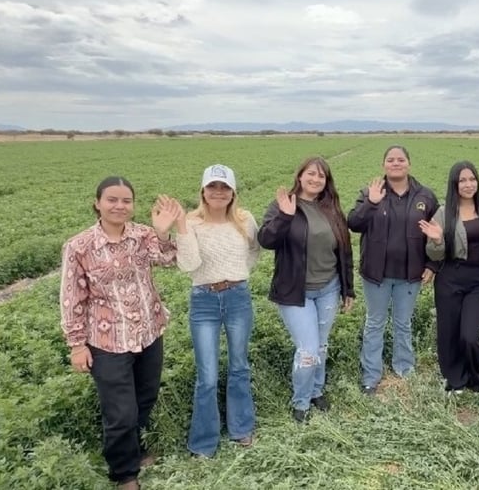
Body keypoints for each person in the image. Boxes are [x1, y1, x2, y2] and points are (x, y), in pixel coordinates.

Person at [60, 177, 182, 490]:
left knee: (145, 396)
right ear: (97, 203)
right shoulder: (79, 246)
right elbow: (72, 298)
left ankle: (134, 451)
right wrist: (76, 345)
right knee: (120, 410)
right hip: (107, 341)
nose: (119, 206)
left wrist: (163, 231)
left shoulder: (142, 235)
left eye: (126, 201)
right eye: (112, 200)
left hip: (148, 332)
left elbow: (168, 259)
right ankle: (124, 474)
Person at [258, 156, 355, 422]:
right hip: (294, 292)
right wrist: (285, 217)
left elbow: (344, 251)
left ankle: (316, 391)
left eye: (321, 176)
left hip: (328, 288)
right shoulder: (284, 205)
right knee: (308, 350)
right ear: (300, 176)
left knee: (321, 345)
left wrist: (348, 289)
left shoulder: (331, 208)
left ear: (326, 182)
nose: (315, 179)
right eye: (311, 174)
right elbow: (266, 240)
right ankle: (300, 402)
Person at [175, 164, 259, 457]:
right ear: (203, 191)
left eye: (224, 187)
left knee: (239, 365)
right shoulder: (191, 222)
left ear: (233, 192)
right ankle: (204, 441)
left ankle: (241, 428)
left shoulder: (245, 220)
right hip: (204, 300)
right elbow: (187, 265)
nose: (218, 192)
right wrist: (182, 229)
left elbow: (254, 251)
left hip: (238, 297)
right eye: (213, 187)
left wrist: (237, 274)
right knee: (207, 374)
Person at [347, 145, 439, 395]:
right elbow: (353, 223)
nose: (396, 163)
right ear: (384, 165)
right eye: (390, 160)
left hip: (411, 274)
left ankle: (404, 368)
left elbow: (438, 234)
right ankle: (371, 374)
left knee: (403, 323)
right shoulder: (371, 192)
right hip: (376, 274)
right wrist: (371, 203)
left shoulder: (426, 197)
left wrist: (432, 264)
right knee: (375, 322)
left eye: (400, 159)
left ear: (408, 163)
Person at [419, 161, 479, 394]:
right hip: (450, 277)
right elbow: (433, 254)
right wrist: (438, 240)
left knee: (470, 334)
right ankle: (455, 379)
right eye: (462, 180)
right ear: (454, 184)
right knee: (448, 332)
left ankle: (475, 376)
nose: (468, 184)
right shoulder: (443, 213)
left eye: (472, 179)